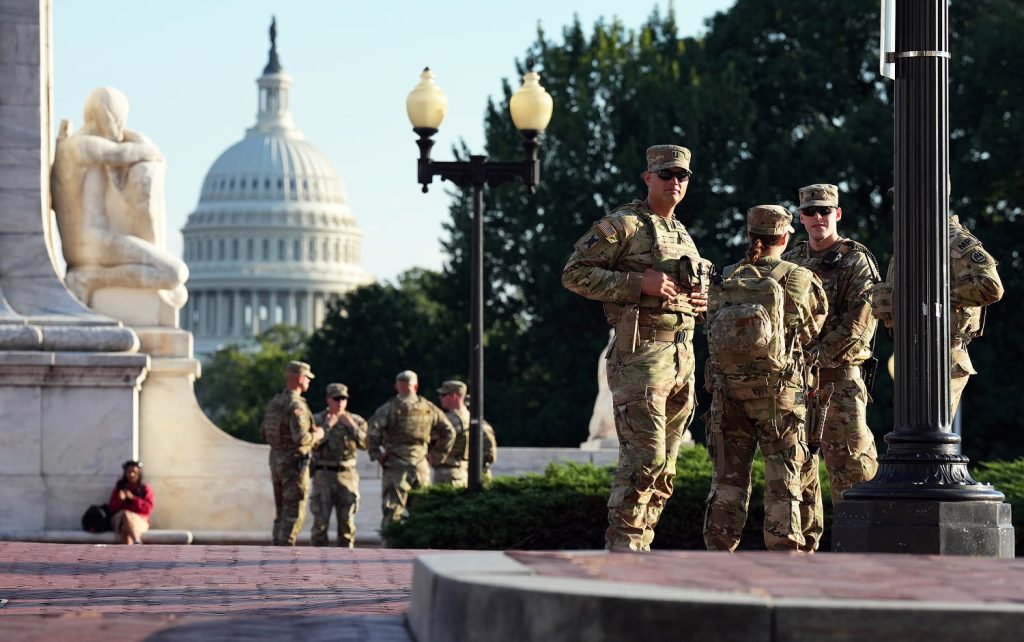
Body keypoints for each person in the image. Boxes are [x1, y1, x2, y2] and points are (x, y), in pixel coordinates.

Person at [562, 144, 711, 552]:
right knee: (644, 460)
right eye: (666, 174)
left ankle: (639, 547)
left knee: (665, 468)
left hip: (681, 358)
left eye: (682, 175)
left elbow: (686, 295)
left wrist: (702, 302)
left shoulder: (682, 234)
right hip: (641, 355)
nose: (675, 181)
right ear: (648, 177)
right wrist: (636, 283)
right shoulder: (624, 224)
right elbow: (574, 273)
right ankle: (622, 550)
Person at [703, 205, 828, 552]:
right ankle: (784, 557)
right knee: (783, 480)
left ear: (750, 235)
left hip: (728, 392)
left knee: (727, 481)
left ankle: (717, 555)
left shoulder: (726, 277)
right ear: (785, 238)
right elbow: (810, 331)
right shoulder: (799, 277)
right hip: (779, 395)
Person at [781, 183, 881, 552]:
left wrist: (812, 357)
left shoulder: (855, 260)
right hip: (797, 387)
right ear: (801, 217)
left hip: (839, 385)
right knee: (798, 475)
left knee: (853, 475)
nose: (817, 217)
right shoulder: (791, 260)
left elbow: (859, 325)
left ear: (837, 214)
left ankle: (864, 556)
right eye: (810, 211)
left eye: (825, 210)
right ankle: (806, 559)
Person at [51, 86, 188, 309]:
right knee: (175, 273)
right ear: (111, 115)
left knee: (176, 287)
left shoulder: (78, 147)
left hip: (92, 241)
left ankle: (92, 277)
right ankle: (90, 279)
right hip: (91, 243)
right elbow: (143, 153)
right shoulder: (80, 145)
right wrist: (132, 135)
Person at [872, 192, 1004, 414]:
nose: (901, 205)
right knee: (909, 429)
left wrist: (930, 295)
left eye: (907, 196)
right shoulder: (909, 241)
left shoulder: (953, 239)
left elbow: (991, 287)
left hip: (943, 358)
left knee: (928, 428)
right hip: (910, 355)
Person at [367, 371, 455, 530]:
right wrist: (436, 455)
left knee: (393, 511)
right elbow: (449, 432)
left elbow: (372, 431)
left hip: (396, 465)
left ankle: (391, 543)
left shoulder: (389, 408)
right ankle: (419, 542)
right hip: (421, 464)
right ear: (416, 386)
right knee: (421, 512)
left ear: (396, 386)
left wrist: (377, 455)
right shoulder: (429, 408)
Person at [259, 360, 324, 546]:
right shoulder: (296, 405)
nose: (309, 382)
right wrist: (318, 435)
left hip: (276, 461)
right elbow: (301, 438)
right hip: (293, 465)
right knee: (294, 512)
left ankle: (277, 547)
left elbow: (263, 433)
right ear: (301, 378)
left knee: (281, 512)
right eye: (308, 378)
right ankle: (284, 552)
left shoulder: (275, 402)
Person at [310, 383, 367, 547]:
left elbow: (367, 444)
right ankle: (317, 559)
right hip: (324, 475)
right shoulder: (318, 419)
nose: (340, 402)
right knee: (320, 525)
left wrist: (352, 427)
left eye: (343, 399)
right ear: (328, 399)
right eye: (336, 398)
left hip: (347, 475)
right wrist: (327, 427)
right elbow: (311, 443)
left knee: (347, 525)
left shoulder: (355, 420)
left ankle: (346, 560)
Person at [432, 380, 498, 487]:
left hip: (448, 473)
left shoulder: (448, 420)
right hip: (465, 473)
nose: (440, 398)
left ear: (453, 396)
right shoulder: (477, 420)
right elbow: (490, 453)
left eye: (443, 395)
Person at [107, 460, 154, 545]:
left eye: (135, 472)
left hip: (139, 520)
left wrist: (133, 498)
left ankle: (133, 547)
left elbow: (148, 509)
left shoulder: (144, 488)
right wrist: (119, 500)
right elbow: (111, 509)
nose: (132, 475)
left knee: (125, 530)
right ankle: (137, 542)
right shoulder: (120, 488)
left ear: (139, 473)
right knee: (125, 515)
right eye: (129, 472)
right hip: (120, 519)